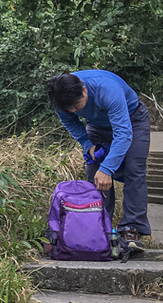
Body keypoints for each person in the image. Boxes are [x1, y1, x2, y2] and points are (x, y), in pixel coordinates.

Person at [46, 70, 151, 252]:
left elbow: (123, 134)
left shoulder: (107, 89)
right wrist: (88, 145)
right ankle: (98, 226)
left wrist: (108, 168)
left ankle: (131, 229)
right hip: (97, 126)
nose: (73, 111)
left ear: (84, 91)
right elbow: (71, 123)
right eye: (68, 109)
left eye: (76, 107)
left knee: (134, 169)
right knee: (93, 171)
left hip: (132, 121)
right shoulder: (60, 98)